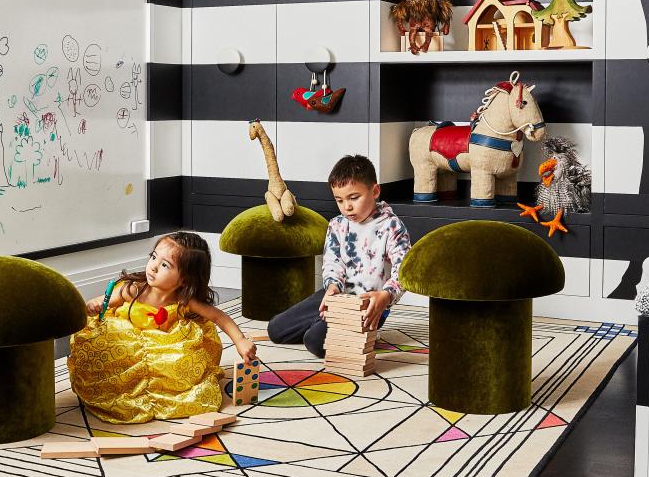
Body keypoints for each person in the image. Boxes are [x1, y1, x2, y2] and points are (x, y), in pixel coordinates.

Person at [69, 231, 257, 422]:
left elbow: (219, 317)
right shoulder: (134, 289)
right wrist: (95, 304)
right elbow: (104, 301)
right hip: (128, 343)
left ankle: (160, 394)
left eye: (165, 265)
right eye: (153, 257)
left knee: (185, 356)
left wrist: (240, 340)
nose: (153, 267)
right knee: (105, 346)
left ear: (184, 279)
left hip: (164, 346)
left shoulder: (184, 300)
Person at [267, 154, 411, 357]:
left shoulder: (391, 226)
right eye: (339, 200)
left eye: (354, 198)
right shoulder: (337, 225)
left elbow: (404, 270)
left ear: (375, 191)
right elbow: (333, 262)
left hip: (369, 304)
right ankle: (325, 322)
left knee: (315, 342)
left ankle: (348, 329)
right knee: (275, 329)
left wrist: (386, 295)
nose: (347, 207)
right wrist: (333, 287)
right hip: (337, 296)